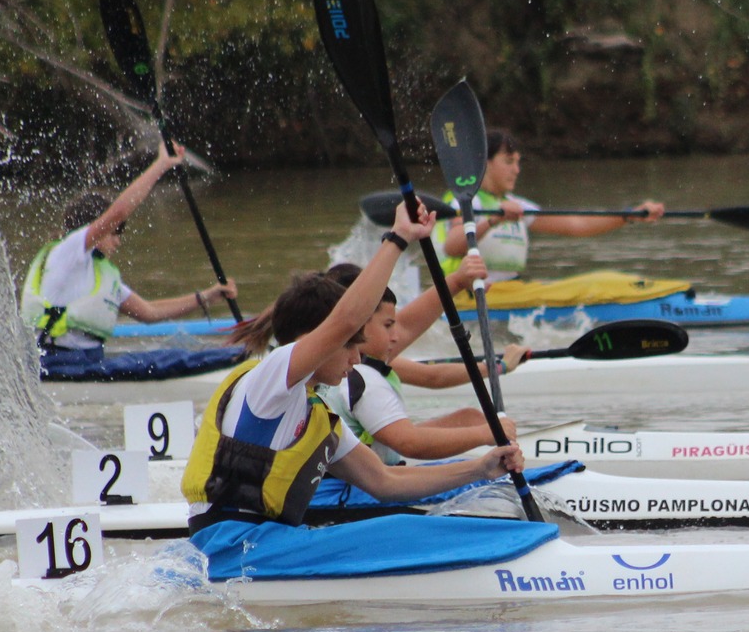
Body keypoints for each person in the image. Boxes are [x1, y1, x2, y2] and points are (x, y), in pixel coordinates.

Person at [180, 202, 556, 582]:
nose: (358, 357)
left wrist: (479, 468)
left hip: (264, 546)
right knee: (412, 532)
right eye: (349, 344)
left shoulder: (315, 413)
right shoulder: (270, 380)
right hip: (232, 548)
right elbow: (345, 318)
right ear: (318, 340)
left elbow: (385, 482)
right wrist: (398, 239)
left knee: (410, 524)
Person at [19, 142, 244, 381]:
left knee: (170, 355)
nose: (118, 241)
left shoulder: (99, 274)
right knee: (165, 361)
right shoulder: (68, 252)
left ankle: (235, 357)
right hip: (57, 364)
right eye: (115, 232)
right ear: (95, 229)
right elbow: (118, 212)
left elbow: (150, 312)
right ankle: (234, 362)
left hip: (89, 363)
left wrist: (206, 297)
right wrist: (161, 165)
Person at [316, 257, 528, 464]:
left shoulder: (353, 360)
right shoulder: (360, 374)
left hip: (377, 461)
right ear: (357, 321)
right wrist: (486, 434)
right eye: (388, 325)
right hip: (365, 484)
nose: (396, 335)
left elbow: (431, 373)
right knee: (476, 428)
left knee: (469, 418)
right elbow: (409, 442)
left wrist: (456, 282)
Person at [434, 128, 666, 282]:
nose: (517, 170)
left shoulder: (515, 204)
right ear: (484, 163)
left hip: (510, 291)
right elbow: (452, 246)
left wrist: (627, 216)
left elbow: (576, 225)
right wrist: (494, 220)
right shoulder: (463, 200)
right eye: (508, 162)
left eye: (517, 162)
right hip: (468, 294)